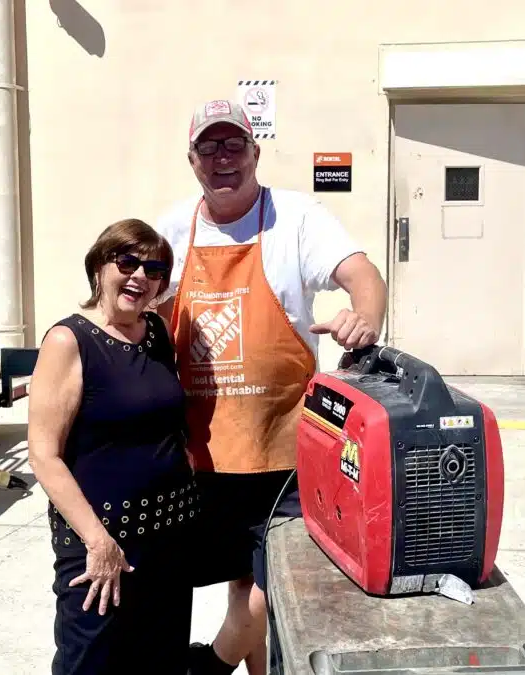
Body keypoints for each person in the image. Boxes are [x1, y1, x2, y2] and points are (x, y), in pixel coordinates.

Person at [153, 100, 388, 675]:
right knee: (239, 583)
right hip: (200, 453)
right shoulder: (169, 230)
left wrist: (366, 315)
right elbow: (136, 309)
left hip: (284, 451)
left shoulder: (297, 218)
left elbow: (363, 277)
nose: (222, 158)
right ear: (191, 160)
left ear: (255, 153)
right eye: (209, 147)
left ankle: (210, 666)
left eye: (234, 145)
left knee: (271, 582)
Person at [27, 218, 199, 675]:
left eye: (155, 268)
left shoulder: (158, 332)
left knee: (161, 661)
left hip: (170, 539)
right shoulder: (69, 341)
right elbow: (44, 454)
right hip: (102, 543)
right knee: (91, 662)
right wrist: (98, 541)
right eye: (128, 261)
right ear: (101, 266)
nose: (140, 275)